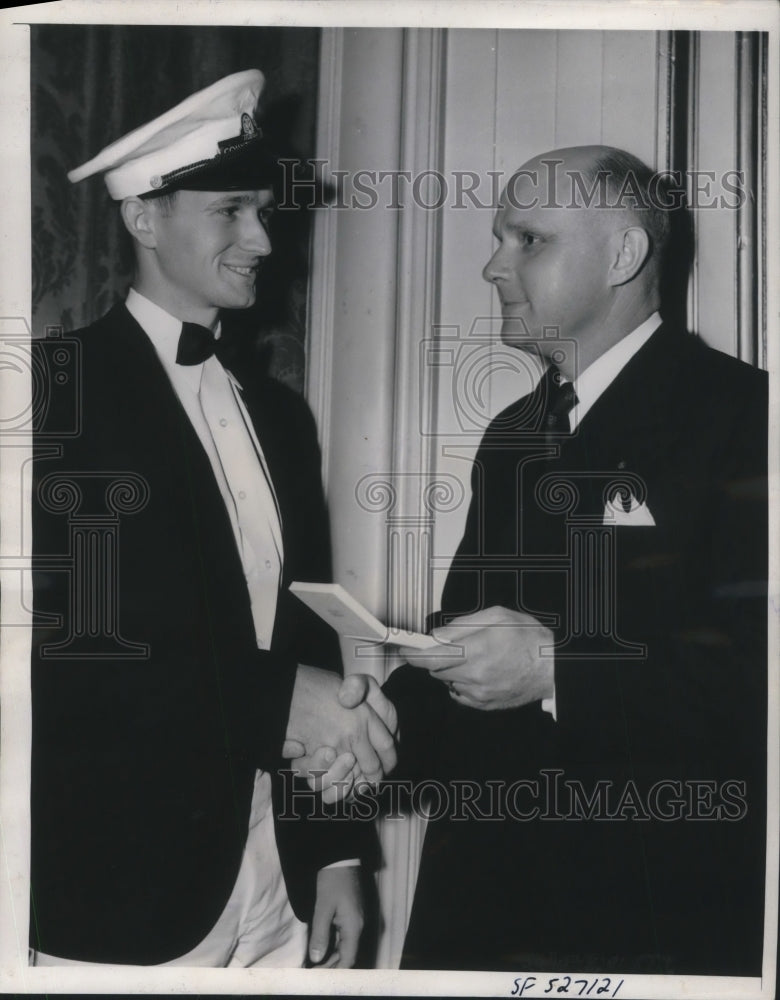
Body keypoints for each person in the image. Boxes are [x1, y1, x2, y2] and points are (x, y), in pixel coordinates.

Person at [30, 69, 396, 968]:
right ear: (143, 218)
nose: (264, 239)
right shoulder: (54, 392)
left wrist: (335, 851)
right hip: (127, 886)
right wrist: (276, 701)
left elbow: (307, 634)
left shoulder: (280, 415)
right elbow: (60, 649)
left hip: (275, 882)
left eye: (264, 213)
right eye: (231, 211)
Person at [383, 146, 768, 974]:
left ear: (625, 255)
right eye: (499, 239)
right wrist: (369, 728)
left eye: (528, 240)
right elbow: (466, 644)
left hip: (646, 922)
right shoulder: (512, 435)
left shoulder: (747, 417)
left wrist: (561, 669)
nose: (493, 265)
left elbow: (758, 681)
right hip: (475, 918)